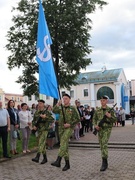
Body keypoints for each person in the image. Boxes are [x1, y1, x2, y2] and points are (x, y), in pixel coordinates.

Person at [51, 94, 80, 171]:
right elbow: (53, 111)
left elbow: (78, 119)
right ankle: (67, 164)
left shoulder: (73, 108)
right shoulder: (61, 108)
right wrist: (57, 104)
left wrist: (70, 124)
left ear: (69, 99)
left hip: (69, 128)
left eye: (66, 99)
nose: (64, 100)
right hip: (61, 128)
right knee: (64, 146)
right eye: (63, 99)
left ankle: (58, 160)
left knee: (63, 141)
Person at [93, 95, 117, 171]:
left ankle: (104, 162)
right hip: (100, 129)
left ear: (106, 101)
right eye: (101, 100)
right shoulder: (97, 110)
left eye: (103, 100)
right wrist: (95, 125)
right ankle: (105, 160)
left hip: (107, 129)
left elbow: (115, 120)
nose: (102, 102)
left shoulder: (110, 110)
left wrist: (110, 117)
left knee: (104, 143)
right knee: (101, 145)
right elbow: (94, 119)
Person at [31, 99, 54, 164]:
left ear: (43, 104)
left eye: (41, 103)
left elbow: (52, 119)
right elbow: (34, 120)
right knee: (42, 144)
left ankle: (37, 157)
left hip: (45, 130)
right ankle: (45, 158)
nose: (39, 105)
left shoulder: (47, 112)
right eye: (38, 103)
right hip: (39, 130)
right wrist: (34, 126)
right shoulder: (36, 112)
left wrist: (45, 117)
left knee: (41, 142)